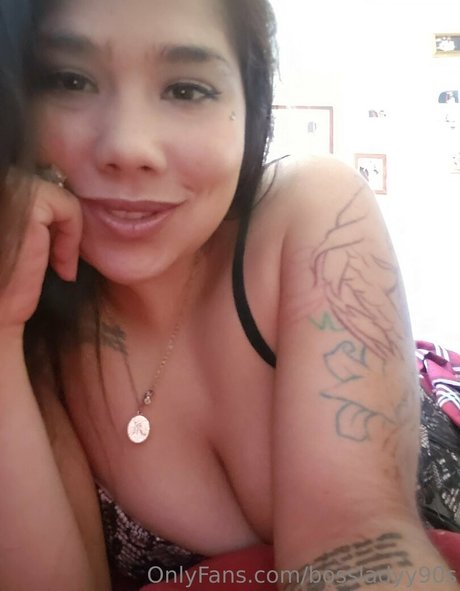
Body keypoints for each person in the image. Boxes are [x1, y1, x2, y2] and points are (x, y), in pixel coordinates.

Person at [1, 1, 460, 590]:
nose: (128, 146)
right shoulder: (37, 334)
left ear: (251, 106)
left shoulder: (312, 211)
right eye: (70, 81)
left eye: (186, 90)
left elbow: (357, 544)